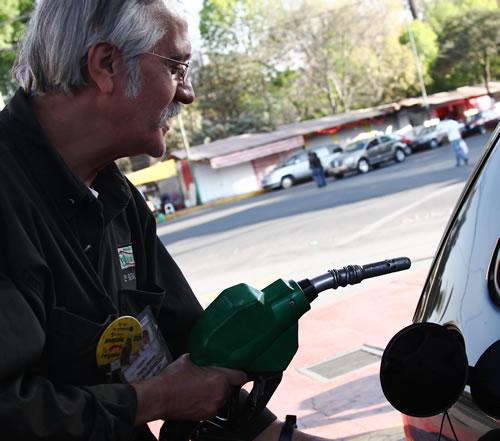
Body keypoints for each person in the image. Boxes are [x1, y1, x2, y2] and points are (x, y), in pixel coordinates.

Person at [0, 1, 328, 441]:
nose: (187, 93)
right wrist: (154, 400)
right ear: (106, 65)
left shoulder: (118, 199)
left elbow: (198, 367)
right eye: (176, 67)